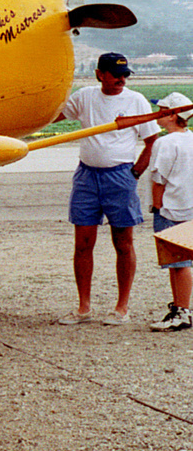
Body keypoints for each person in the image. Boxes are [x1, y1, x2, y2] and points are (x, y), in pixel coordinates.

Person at [56, 52, 160, 325]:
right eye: (116, 74)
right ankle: (83, 308)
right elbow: (55, 116)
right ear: (100, 74)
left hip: (120, 178)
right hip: (87, 177)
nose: (121, 80)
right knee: (83, 244)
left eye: (125, 75)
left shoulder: (135, 100)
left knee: (123, 243)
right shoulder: (85, 96)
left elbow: (152, 140)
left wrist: (135, 173)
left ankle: (122, 307)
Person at [147, 92, 193, 331]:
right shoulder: (190, 139)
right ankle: (178, 307)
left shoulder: (165, 143)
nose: (158, 114)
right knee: (179, 263)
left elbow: (159, 179)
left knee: (179, 263)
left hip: (170, 207)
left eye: (162, 109)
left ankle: (183, 311)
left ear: (174, 115)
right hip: (188, 206)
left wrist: (156, 206)